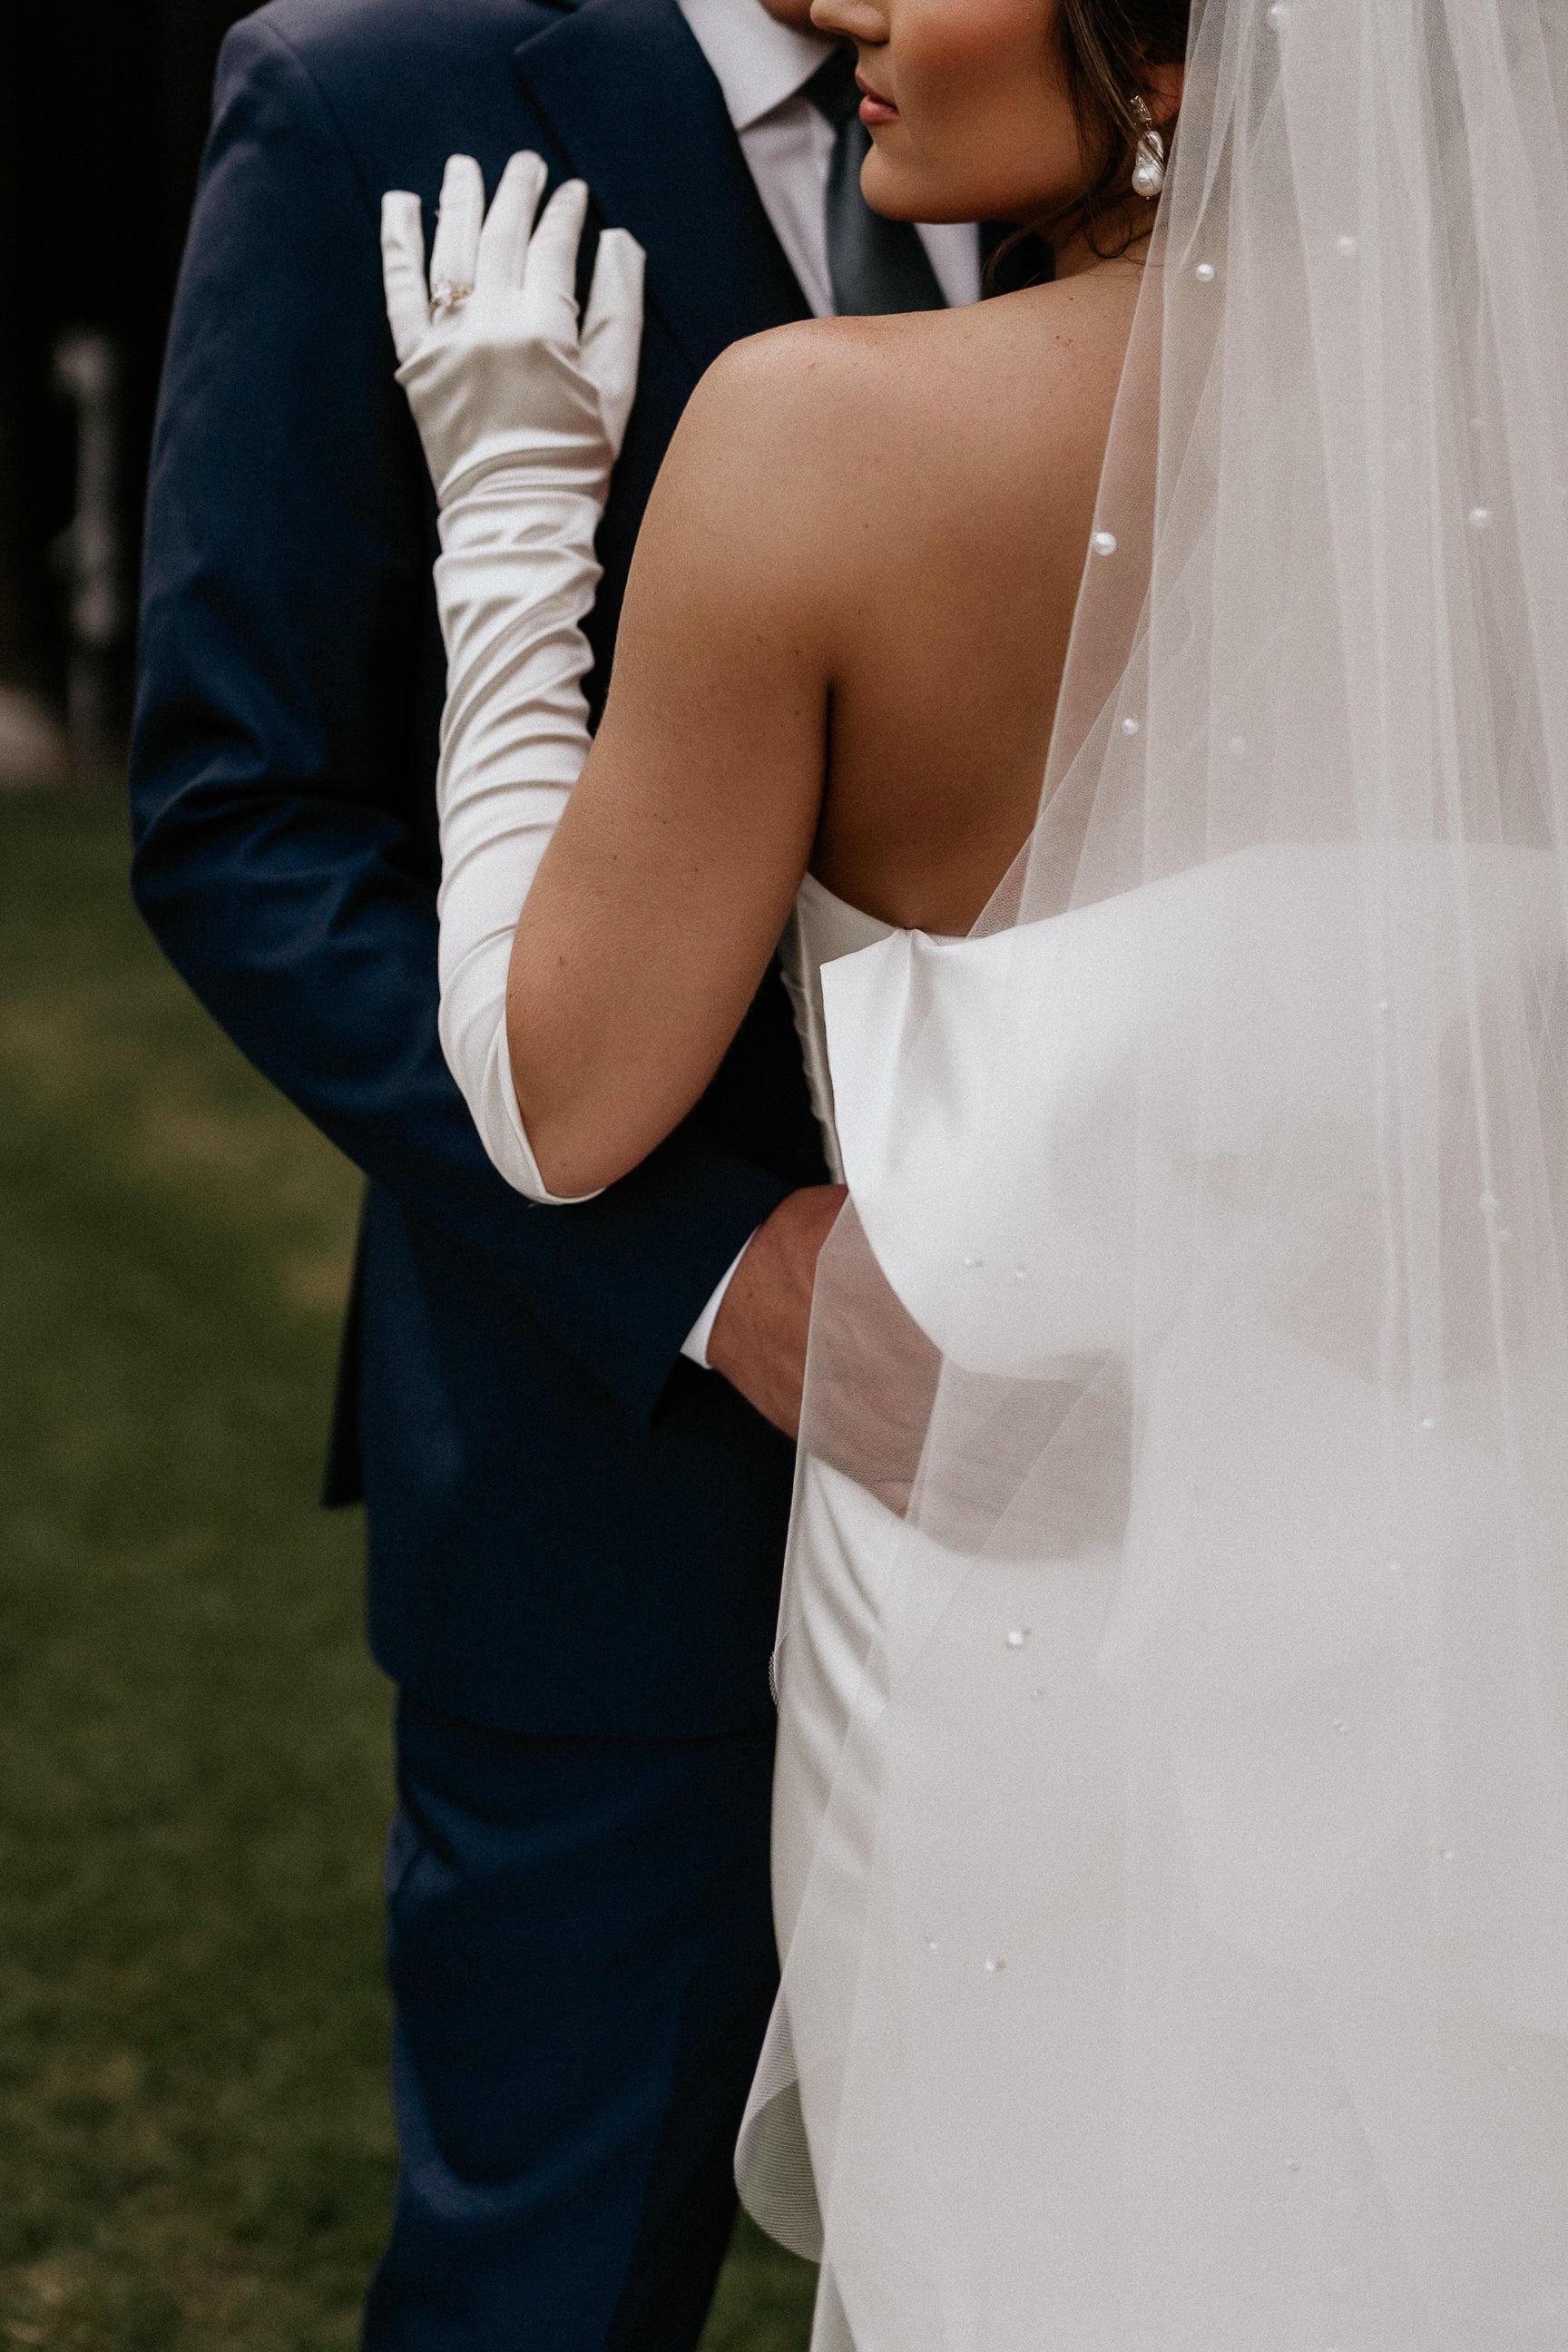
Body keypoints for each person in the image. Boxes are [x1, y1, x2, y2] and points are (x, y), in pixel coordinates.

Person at [387, 0, 1568, 2340]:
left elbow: (557, 1099)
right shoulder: (1517, 433)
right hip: (1472, 1634)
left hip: (1017, 1644)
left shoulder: (822, 442)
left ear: (1166, 37)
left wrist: (513, 526)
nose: (837, 8)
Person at [128, 0, 987, 2343]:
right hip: (615, 1482)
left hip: (1080, 1470)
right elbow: (241, 822)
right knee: (558, 2286)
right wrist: (721, 1269)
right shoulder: (372, 95)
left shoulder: (1107, 84)